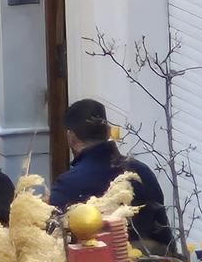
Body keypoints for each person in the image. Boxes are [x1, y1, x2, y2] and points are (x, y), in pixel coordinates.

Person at [49, 99, 173, 251]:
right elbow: (165, 239)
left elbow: (54, 243)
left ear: (71, 137)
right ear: (108, 131)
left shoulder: (67, 184)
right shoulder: (142, 173)